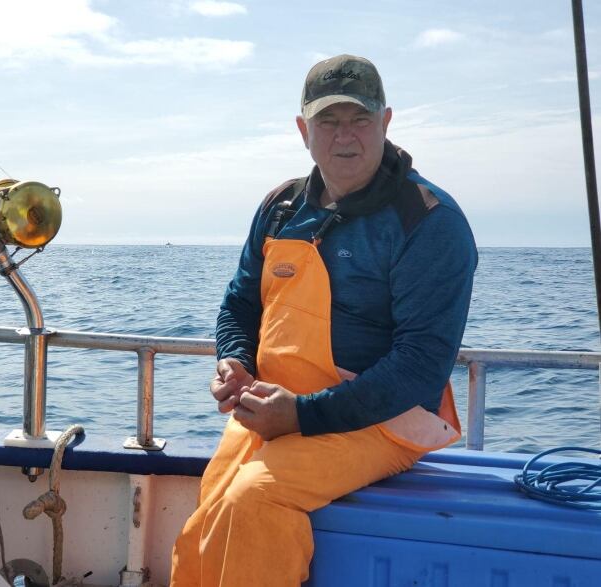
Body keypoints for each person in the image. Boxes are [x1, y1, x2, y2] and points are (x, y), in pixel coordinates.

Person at [170, 54, 477, 587]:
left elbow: (421, 366)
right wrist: (235, 362)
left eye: (360, 119)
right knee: (212, 499)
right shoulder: (281, 207)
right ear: (302, 130)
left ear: (386, 122)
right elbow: (240, 303)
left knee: (254, 498)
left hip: (383, 421)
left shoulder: (429, 221)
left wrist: (301, 417)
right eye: (328, 122)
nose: (345, 136)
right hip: (277, 407)